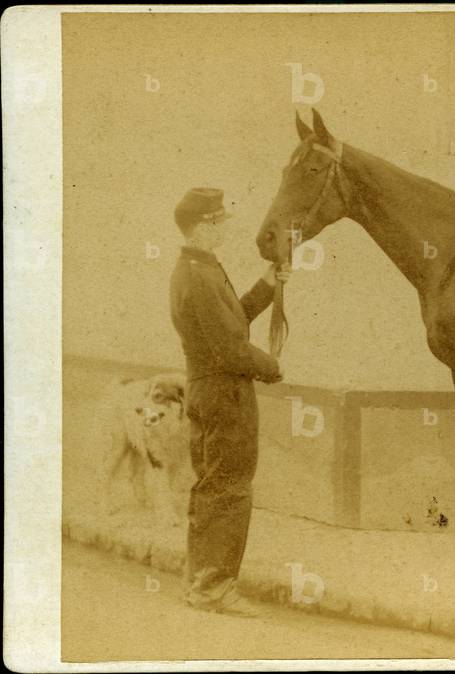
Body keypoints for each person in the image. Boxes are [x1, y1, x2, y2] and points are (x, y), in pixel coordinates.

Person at [169, 187, 289, 617]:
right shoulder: (199, 277)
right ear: (203, 226)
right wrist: (271, 366)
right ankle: (214, 588)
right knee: (230, 488)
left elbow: (229, 321)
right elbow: (230, 349)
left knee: (210, 486)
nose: (224, 229)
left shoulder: (196, 268)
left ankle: (200, 581)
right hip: (224, 392)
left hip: (208, 389)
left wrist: (267, 287)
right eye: (219, 223)